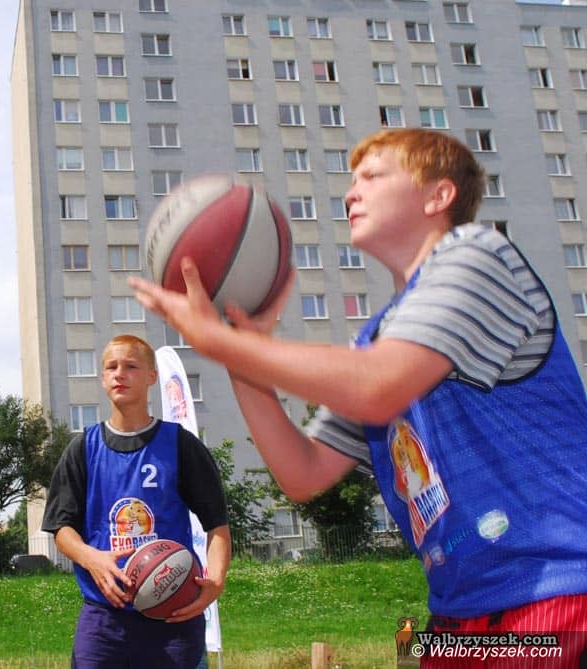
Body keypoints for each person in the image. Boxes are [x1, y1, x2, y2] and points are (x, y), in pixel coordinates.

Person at [130, 128, 587, 661]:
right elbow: (303, 472)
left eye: (372, 176)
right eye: (351, 181)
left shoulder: (478, 256)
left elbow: (378, 387)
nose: (351, 193)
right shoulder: (376, 340)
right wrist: (238, 354)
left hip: (558, 584)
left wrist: (221, 340)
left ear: (438, 196)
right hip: (460, 609)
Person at [42, 334, 230, 668]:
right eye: (111, 367)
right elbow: (61, 527)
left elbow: (217, 525)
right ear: (103, 378)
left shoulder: (180, 445)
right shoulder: (83, 448)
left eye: (130, 366)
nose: (119, 374)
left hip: (172, 612)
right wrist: (91, 557)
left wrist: (215, 581)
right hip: (104, 617)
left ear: (151, 376)